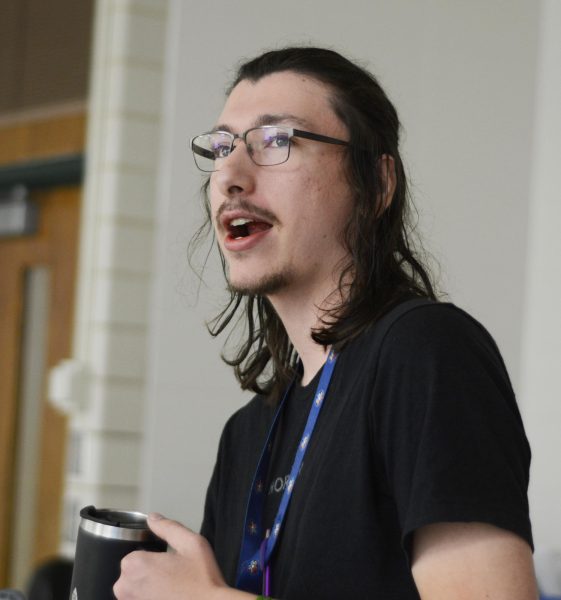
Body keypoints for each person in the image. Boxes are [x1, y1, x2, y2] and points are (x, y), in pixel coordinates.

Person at [114, 47, 538, 599]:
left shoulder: (426, 352)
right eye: (221, 148)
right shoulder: (247, 431)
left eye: (277, 141)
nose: (231, 178)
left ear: (377, 184)